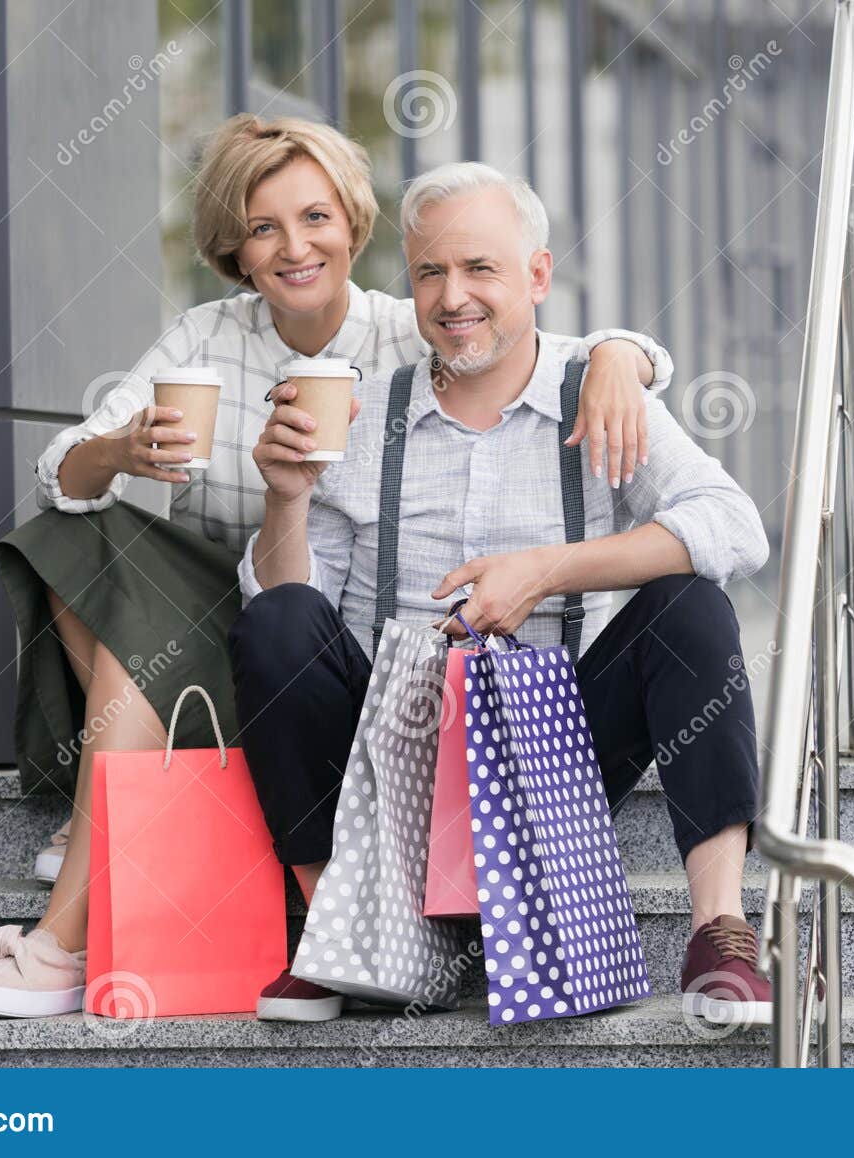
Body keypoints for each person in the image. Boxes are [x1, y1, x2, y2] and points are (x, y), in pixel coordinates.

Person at [0, 115, 676, 1019]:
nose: (296, 247)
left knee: (253, 625)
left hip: (308, 634)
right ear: (234, 251)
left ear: (352, 226)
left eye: (316, 216)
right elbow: (64, 472)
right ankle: (118, 794)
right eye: (262, 228)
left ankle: (75, 902)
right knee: (68, 536)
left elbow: (522, 328)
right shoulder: (205, 338)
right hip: (218, 609)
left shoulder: (409, 329)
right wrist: (124, 449)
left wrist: (622, 355)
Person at [230, 161, 773, 1027]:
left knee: (691, 604)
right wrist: (287, 497)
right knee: (275, 618)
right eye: (430, 273)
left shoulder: (597, 392)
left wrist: (549, 569)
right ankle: (338, 933)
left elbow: (735, 528)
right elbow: (293, 604)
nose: (453, 297)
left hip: (556, 757)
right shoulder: (363, 416)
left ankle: (721, 929)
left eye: (479, 268)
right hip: (394, 759)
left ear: (538, 276)